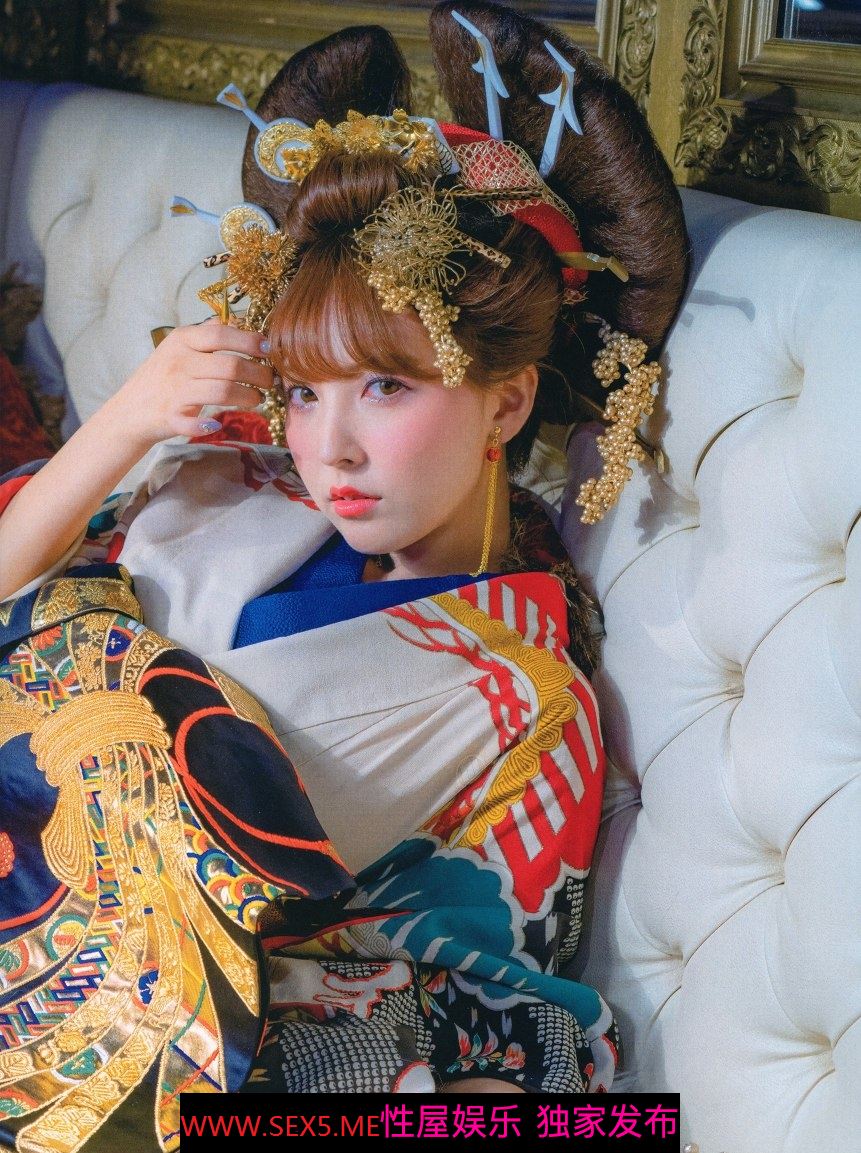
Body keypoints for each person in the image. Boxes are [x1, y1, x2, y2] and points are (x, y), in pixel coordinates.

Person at [0, 1, 688, 1145]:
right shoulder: (237, 480)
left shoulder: (520, 690)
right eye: (306, 392)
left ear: (506, 401)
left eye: (387, 386)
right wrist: (125, 421)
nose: (334, 450)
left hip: (199, 1026)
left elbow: (484, 981)